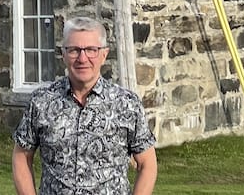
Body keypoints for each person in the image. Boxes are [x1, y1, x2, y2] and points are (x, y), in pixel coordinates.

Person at [12, 16, 157, 195]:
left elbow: (147, 164)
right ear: (63, 54)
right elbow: (21, 157)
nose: (82, 58)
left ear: (104, 54)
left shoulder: (127, 104)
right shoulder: (41, 102)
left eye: (91, 50)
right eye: (74, 50)